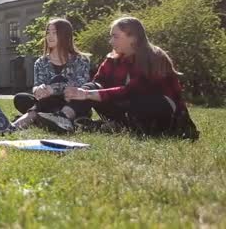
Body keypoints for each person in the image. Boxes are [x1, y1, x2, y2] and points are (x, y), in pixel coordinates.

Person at [57, 16, 198, 139]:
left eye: (115, 36)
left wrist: (87, 94)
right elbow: (98, 82)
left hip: (159, 112)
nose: (111, 41)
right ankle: (63, 118)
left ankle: (111, 126)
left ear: (133, 38)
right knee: (92, 87)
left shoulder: (154, 57)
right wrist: (81, 93)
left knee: (141, 100)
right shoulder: (113, 58)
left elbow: (132, 91)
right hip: (127, 108)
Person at [12, 18, 90, 132]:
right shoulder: (40, 62)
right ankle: (43, 119)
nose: (50, 36)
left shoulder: (81, 60)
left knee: (65, 84)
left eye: (54, 32)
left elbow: (81, 85)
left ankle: (33, 118)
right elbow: (37, 84)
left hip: (72, 103)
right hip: (47, 103)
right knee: (21, 98)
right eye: (48, 32)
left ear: (65, 35)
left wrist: (53, 89)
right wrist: (38, 90)